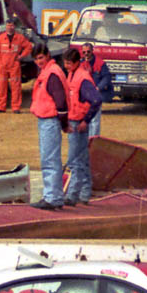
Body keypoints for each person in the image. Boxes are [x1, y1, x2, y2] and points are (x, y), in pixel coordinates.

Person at [29, 44, 68, 210]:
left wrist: (64, 122)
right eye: (36, 59)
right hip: (47, 120)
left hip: (50, 120)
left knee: (49, 160)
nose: (38, 62)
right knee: (51, 159)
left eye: (41, 58)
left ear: (48, 55)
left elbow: (60, 101)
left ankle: (52, 197)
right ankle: (55, 196)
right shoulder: (49, 72)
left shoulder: (52, 74)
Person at [62, 48, 102, 207]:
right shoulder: (72, 74)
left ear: (77, 62)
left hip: (77, 124)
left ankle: (72, 195)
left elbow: (96, 100)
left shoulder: (82, 78)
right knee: (82, 159)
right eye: (65, 63)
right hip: (74, 121)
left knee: (75, 161)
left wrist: (86, 120)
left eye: (69, 63)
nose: (66, 66)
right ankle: (84, 194)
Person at [0, 17, 32, 113]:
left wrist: (21, 56)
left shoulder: (19, 38)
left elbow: (28, 47)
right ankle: (1, 107)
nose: (10, 27)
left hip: (14, 65)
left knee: (16, 87)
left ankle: (16, 107)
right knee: (2, 87)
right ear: (5, 26)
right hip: (3, 66)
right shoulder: (1, 37)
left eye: (11, 25)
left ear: (14, 26)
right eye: (8, 25)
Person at [80, 43, 111, 137]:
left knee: (95, 120)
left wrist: (98, 88)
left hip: (95, 96)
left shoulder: (100, 63)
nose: (86, 54)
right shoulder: (80, 63)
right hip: (84, 96)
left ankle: (94, 139)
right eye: (84, 52)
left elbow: (107, 77)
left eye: (88, 52)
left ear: (92, 51)